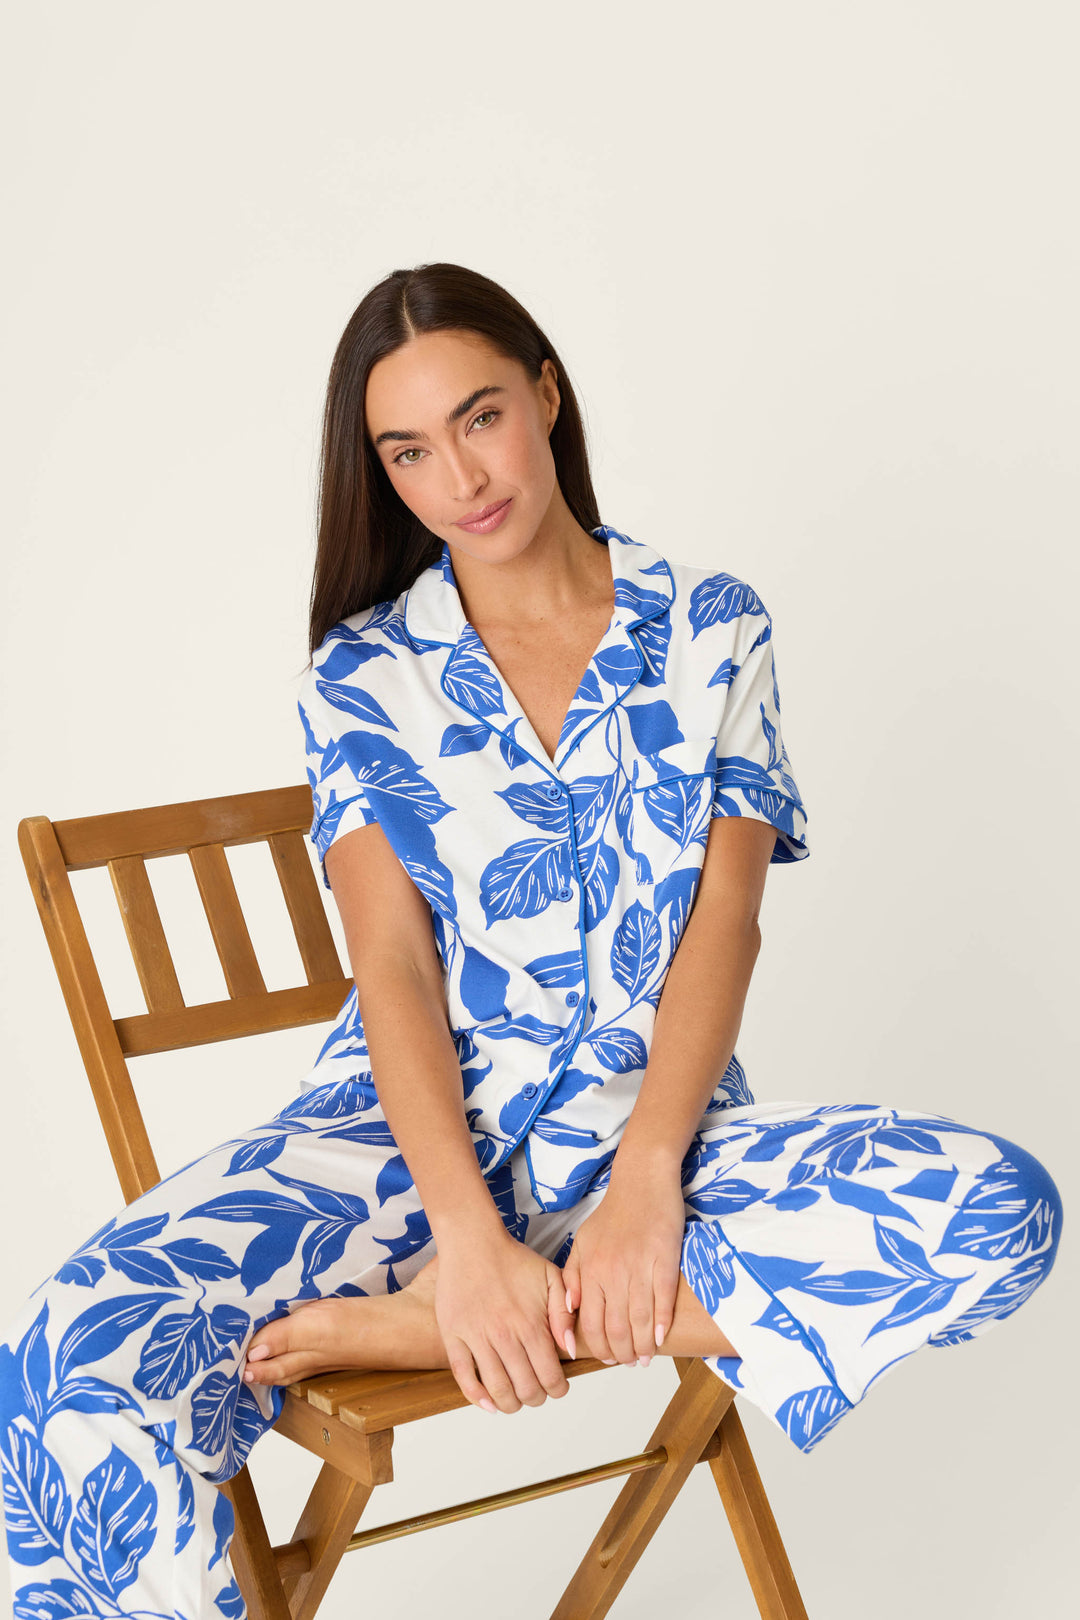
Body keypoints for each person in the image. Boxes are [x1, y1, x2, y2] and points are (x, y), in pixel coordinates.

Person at [0, 261, 1064, 1617]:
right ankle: (464, 1281)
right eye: (410, 451)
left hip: (650, 1126)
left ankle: (459, 1306)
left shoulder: (709, 627)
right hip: (401, 1145)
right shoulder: (363, 673)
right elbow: (389, 965)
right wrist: (461, 1224)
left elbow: (719, 927)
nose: (461, 475)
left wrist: (647, 1181)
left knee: (1000, 1209)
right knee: (63, 1356)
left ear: (548, 395)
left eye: (483, 416)